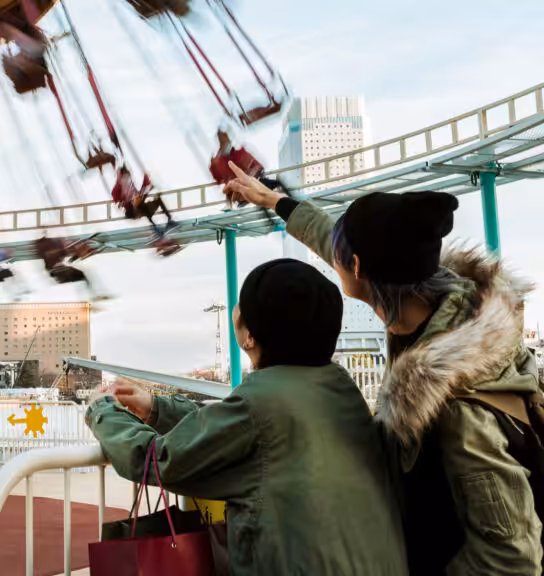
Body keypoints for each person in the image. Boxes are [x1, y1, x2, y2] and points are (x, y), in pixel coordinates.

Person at [224, 161, 543, 575]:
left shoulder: (461, 411)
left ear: (356, 268)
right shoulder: (437, 301)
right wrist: (276, 203)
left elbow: (512, 557)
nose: (331, 256)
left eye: (340, 254)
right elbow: (332, 239)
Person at [86, 259, 407, 575]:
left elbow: (158, 460)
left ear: (250, 336)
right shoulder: (337, 388)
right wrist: (158, 408)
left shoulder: (260, 403)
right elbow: (250, 428)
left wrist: (102, 410)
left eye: (242, 305)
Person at [111, 166, 177, 237]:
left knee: (157, 200)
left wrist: (146, 183)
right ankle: (154, 227)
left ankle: (169, 220)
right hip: (131, 211)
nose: (126, 179)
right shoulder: (117, 188)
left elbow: (140, 193)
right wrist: (122, 203)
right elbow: (117, 203)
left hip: (141, 208)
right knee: (139, 203)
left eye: (127, 177)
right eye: (124, 177)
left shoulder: (131, 185)